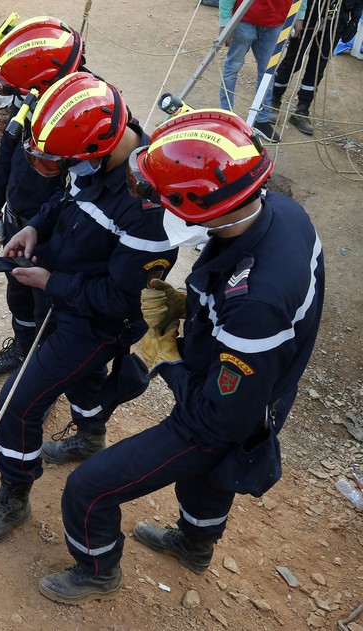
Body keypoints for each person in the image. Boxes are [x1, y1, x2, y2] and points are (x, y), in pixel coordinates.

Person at [38, 109, 325, 605]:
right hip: (260, 383)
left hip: (226, 408)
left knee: (89, 489)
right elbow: (244, 305)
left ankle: (97, 569)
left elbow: (219, 418)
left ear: (208, 206)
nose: (156, 206)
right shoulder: (280, 213)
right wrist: (192, 306)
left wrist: (167, 351)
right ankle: (195, 545)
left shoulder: (255, 300)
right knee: (210, 479)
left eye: (166, 198)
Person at [0, 72, 178, 546]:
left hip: (97, 322)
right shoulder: (96, 157)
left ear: (93, 151)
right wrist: (36, 229)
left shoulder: (148, 211)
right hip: (66, 297)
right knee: (83, 379)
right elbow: (65, 199)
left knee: (16, 405)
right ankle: (90, 434)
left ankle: (13, 499)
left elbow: (121, 300)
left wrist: (50, 282)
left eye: (62, 162)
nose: (59, 170)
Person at [0, 16, 84, 375]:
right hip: (19, 221)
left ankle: (39, 371)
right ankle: (22, 350)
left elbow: (81, 192)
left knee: (47, 308)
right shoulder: (32, 94)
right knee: (19, 295)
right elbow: (8, 150)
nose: (17, 98)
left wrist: (40, 227)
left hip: (54, 232)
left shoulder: (85, 111)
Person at [218, 0, 306, 142]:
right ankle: (226, 116)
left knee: (268, 73)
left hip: (276, 23)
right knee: (232, 68)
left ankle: (262, 119)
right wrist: (225, 21)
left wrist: (299, 14)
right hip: (245, 19)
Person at [270, 0, 363, 135]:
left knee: (317, 67)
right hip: (309, 15)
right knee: (293, 61)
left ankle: (301, 110)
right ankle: (273, 100)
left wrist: (354, 20)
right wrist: (298, 16)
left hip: (334, 22)